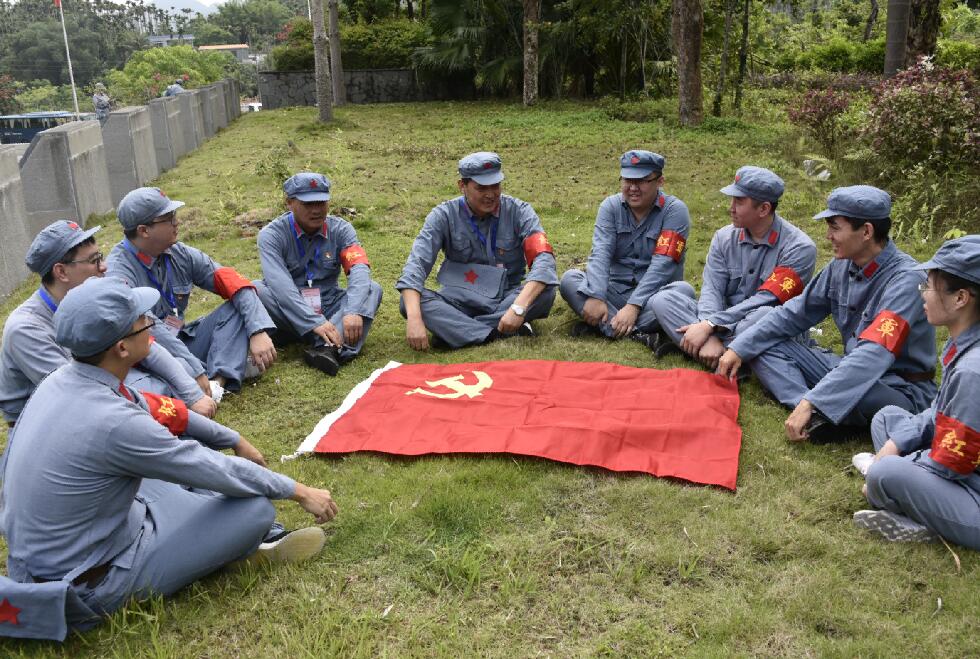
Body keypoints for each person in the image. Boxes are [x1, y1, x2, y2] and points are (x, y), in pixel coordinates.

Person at [0, 277, 337, 639]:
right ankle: (234, 549)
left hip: (51, 553)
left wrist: (232, 437)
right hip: (91, 581)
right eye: (142, 320)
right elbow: (205, 464)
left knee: (171, 481)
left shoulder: (64, 378)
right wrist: (297, 490)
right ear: (122, 348)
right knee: (256, 511)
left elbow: (156, 407)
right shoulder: (114, 423)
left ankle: (218, 545)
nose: (151, 323)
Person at [717, 186, 937, 443]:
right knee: (755, 337)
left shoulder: (907, 280)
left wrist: (815, 399)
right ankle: (816, 412)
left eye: (835, 227)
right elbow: (795, 313)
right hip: (846, 368)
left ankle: (818, 408)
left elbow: (872, 356)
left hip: (895, 387)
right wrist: (739, 349)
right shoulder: (841, 264)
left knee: (859, 391)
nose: (827, 236)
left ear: (866, 231)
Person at [0, 221, 216, 426]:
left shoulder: (95, 300)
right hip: (56, 419)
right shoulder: (27, 329)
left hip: (105, 385)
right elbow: (81, 394)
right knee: (152, 386)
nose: (104, 267)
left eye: (101, 257)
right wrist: (184, 411)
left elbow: (149, 345)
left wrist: (193, 394)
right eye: (94, 260)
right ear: (61, 272)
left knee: (180, 369)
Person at [852, 236, 980, 548]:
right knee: (888, 419)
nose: (922, 293)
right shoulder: (964, 341)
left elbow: (952, 464)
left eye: (929, 286)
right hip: (965, 462)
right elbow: (940, 410)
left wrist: (892, 469)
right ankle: (918, 505)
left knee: (886, 474)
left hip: (971, 487)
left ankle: (922, 517)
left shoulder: (972, 370)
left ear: (960, 298)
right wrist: (897, 444)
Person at [106, 187, 277, 397]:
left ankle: (217, 382)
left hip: (181, 340)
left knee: (243, 299)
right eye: (168, 218)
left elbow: (230, 281)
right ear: (144, 230)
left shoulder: (179, 252)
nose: (176, 222)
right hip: (149, 356)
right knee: (163, 379)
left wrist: (257, 330)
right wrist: (193, 368)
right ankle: (212, 373)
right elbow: (148, 329)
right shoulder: (118, 271)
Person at [647, 166, 816, 368]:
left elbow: (768, 300)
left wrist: (711, 325)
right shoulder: (723, 237)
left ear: (764, 209)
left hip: (759, 323)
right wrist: (707, 327)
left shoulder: (800, 248)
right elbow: (712, 289)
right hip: (723, 321)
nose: (731, 207)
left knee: (765, 315)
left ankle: (710, 352)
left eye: (739, 201)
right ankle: (724, 355)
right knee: (663, 300)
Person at [396, 151, 558, 350]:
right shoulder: (442, 216)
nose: (490, 194)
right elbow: (415, 266)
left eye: (495, 186)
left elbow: (544, 259)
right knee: (409, 303)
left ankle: (457, 331)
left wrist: (518, 307)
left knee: (547, 290)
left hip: (508, 298)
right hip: (459, 300)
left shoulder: (520, 211)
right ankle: (493, 332)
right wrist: (414, 319)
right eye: (481, 188)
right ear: (462, 186)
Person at [559, 150, 691, 347]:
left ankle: (603, 324)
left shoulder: (675, 210)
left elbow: (662, 266)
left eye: (642, 181)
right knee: (570, 280)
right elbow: (600, 254)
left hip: (654, 298)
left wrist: (634, 306)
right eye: (627, 180)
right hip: (613, 292)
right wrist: (596, 295)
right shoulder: (610, 207)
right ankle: (638, 334)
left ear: (660, 181)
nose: (632, 188)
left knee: (682, 291)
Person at [255, 172, 382, 375]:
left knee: (371, 288)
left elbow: (358, 268)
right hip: (289, 311)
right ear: (289, 203)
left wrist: (353, 310)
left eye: (321, 203)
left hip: (329, 305)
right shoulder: (270, 236)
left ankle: (325, 348)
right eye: (307, 204)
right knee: (257, 290)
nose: (316, 210)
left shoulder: (342, 229)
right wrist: (314, 322)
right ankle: (332, 344)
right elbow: (281, 288)